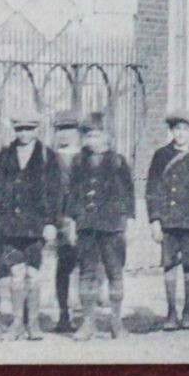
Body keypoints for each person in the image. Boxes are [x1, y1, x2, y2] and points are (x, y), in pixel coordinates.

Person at [0, 111, 60, 340]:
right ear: (14, 131)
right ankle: (17, 323)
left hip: (36, 225)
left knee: (33, 275)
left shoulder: (47, 156)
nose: (24, 134)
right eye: (20, 129)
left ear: (36, 130)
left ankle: (33, 323)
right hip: (10, 225)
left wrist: (50, 223)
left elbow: (55, 193)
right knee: (16, 274)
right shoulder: (5, 155)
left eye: (29, 129)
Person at [65, 116, 135, 340]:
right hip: (86, 226)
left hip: (112, 227)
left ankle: (116, 322)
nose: (91, 139)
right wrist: (70, 221)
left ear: (107, 136)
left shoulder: (118, 162)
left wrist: (130, 220)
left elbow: (128, 194)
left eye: (95, 134)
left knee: (115, 273)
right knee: (86, 274)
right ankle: (87, 323)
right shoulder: (78, 162)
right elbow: (72, 194)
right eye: (87, 135)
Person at [146, 109, 189, 330]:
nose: (180, 133)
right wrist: (154, 220)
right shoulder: (160, 156)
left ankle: (188, 313)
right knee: (168, 265)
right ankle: (171, 314)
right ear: (171, 131)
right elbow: (152, 189)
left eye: (185, 129)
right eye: (176, 129)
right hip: (167, 221)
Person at [48, 110, 84, 333]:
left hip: (83, 219)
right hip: (60, 218)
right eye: (60, 130)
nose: (64, 135)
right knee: (63, 267)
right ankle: (63, 315)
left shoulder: (84, 157)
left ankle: (84, 317)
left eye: (69, 130)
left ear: (77, 132)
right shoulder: (50, 158)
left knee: (87, 266)